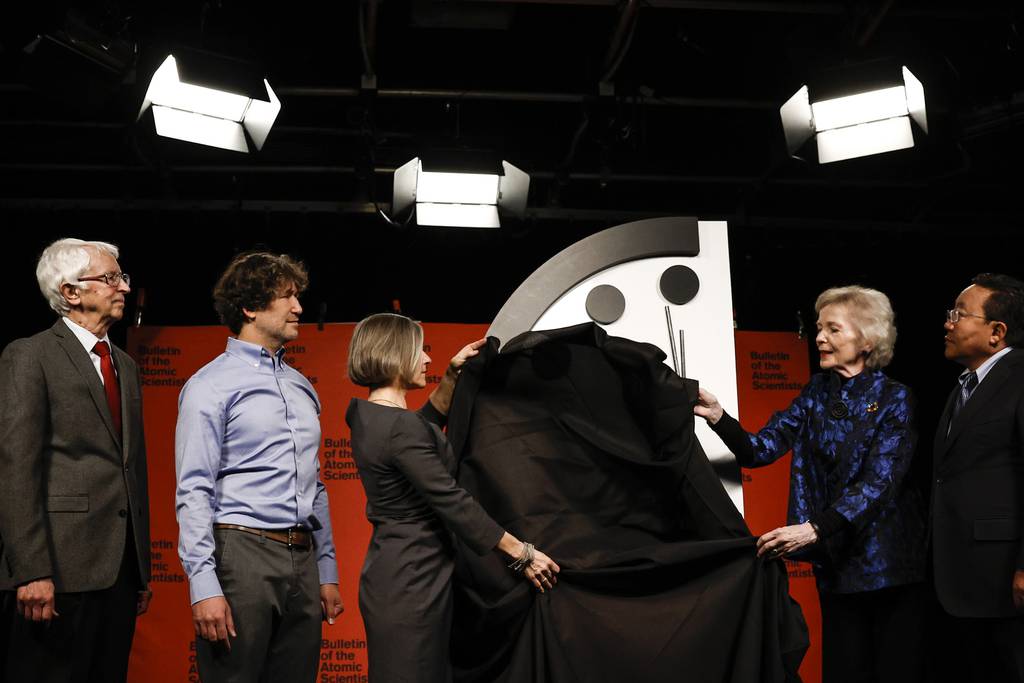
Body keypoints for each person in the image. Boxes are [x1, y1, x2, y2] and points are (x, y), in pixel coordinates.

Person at [694, 285, 926, 683]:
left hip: (886, 567)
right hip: (835, 565)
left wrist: (814, 529)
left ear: (867, 340)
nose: (819, 337)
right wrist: (719, 417)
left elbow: (878, 484)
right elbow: (760, 449)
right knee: (842, 669)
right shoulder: (817, 391)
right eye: (819, 328)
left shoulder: (896, 399)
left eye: (833, 329)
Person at [345, 313, 560, 683]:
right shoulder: (399, 429)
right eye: (419, 351)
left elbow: (420, 431)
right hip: (412, 583)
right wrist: (521, 553)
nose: (426, 360)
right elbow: (452, 500)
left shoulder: (372, 418)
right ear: (395, 355)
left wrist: (449, 377)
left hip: (402, 574)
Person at [175, 251, 343, 683]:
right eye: (287, 297)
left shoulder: (301, 385)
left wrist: (326, 573)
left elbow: (315, 484)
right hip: (241, 554)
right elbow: (194, 490)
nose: (298, 308)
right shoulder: (210, 385)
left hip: (302, 559)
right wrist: (204, 586)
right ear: (249, 307)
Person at [0, 238, 151, 682]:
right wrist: (31, 571)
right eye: (109, 278)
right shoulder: (30, 355)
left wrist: (140, 568)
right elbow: (16, 469)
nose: (122, 287)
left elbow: (131, 468)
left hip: (119, 571)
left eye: (122, 277)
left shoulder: (123, 363)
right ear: (70, 292)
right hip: (58, 570)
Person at [930, 273, 1024, 682]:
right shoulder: (964, 388)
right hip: (965, 578)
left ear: (996, 332)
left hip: (1006, 580)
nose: (948, 323)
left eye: (959, 314)